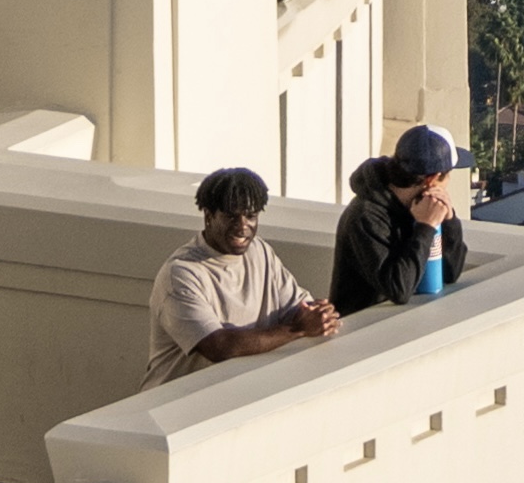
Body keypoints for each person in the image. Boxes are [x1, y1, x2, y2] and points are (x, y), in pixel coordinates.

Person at [146, 168, 333, 379]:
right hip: (176, 404)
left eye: (251, 216)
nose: (242, 227)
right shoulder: (181, 274)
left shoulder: (260, 251)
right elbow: (219, 347)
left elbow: (297, 308)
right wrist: (299, 330)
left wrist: (318, 315)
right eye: (231, 217)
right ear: (209, 216)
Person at [332, 125, 465, 315]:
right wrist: (425, 228)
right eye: (448, 175)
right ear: (432, 179)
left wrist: (449, 220)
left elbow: (452, 272)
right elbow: (398, 290)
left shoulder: (423, 206)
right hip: (365, 331)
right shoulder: (365, 216)